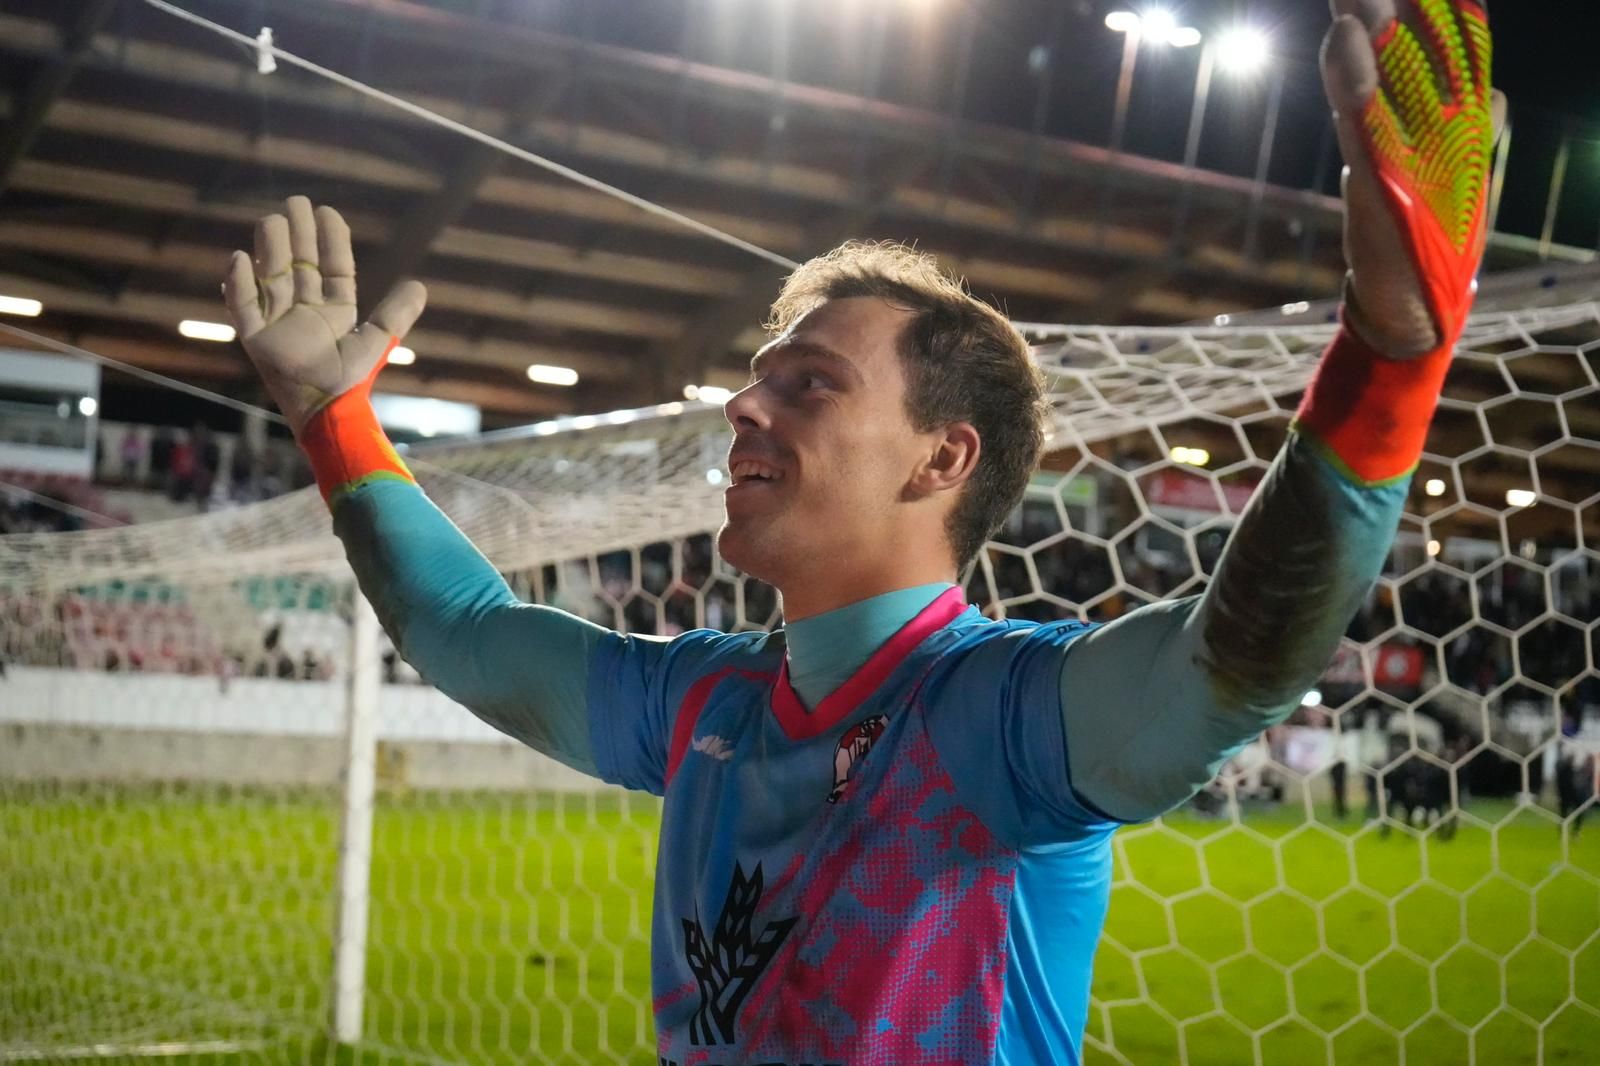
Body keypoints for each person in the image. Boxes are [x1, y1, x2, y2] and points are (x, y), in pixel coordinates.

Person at [219, 2, 1498, 1062]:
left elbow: (1238, 660)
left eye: (809, 382)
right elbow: (468, 630)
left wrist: (1389, 362)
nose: (743, 402)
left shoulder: (999, 718)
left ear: (942, 459)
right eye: (759, 374)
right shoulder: (705, 702)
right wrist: (336, 422)